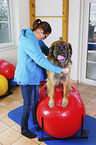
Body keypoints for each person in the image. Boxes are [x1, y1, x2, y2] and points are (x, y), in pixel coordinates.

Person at [14, 19, 70, 139]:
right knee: (28, 104)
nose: (44, 39)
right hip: (26, 77)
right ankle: (24, 129)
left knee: (35, 99)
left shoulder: (36, 39)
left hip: (32, 76)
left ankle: (35, 121)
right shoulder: (29, 41)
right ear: (40, 31)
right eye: (45, 36)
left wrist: (63, 59)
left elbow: (48, 51)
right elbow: (41, 60)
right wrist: (60, 70)